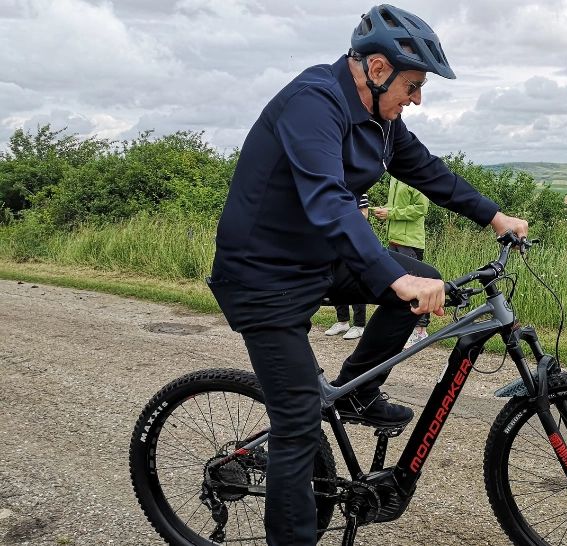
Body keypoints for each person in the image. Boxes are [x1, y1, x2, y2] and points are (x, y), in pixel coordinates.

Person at [205, 5, 528, 544]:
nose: (418, 98)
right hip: (261, 276)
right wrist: (391, 277)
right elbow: (328, 201)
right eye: (414, 84)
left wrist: (496, 217)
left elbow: (429, 172)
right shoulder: (313, 103)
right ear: (377, 69)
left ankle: (357, 392)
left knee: (423, 274)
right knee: (299, 426)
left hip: (316, 260)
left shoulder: (382, 121)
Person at [372, 176, 431, 349]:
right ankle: (405, 329)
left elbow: (421, 209)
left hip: (411, 241)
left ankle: (421, 331)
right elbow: (397, 208)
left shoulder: (415, 178)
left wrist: (391, 213)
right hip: (394, 239)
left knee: (417, 286)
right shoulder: (394, 179)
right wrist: (385, 210)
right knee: (399, 289)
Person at [325, 193, 370, 340]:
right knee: (336, 278)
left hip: (354, 239)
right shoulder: (331, 184)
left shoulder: (358, 186)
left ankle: (359, 325)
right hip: (335, 239)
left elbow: (364, 214)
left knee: (356, 280)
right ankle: (342, 321)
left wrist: (344, 220)